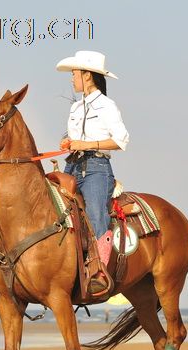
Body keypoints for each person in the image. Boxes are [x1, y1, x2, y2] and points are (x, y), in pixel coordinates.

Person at [56, 51, 130, 295]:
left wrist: (87, 145)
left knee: (96, 213)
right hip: (73, 165)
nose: (71, 79)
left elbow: (121, 140)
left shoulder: (107, 106)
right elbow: (76, 139)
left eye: (74, 74)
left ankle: (99, 271)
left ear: (87, 76)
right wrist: (69, 141)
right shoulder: (76, 107)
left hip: (97, 168)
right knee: (56, 209)